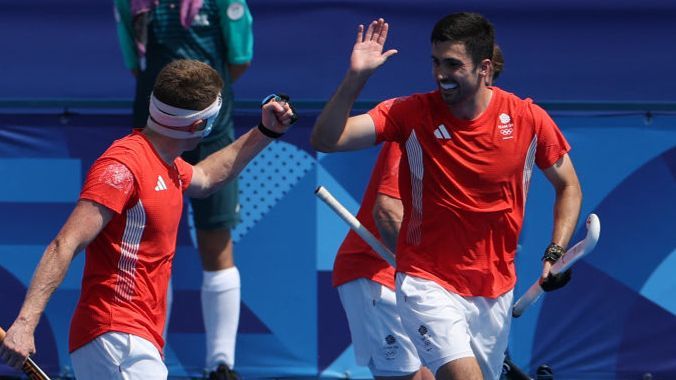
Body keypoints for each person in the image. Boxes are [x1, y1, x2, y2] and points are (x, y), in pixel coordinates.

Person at [311, 13, 582, 380]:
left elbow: (568, 185)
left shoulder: (528, 119)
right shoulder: (409, 114)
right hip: (428, 281)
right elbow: (327, 139)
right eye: (436, 62)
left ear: (484, 68)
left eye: (453, 65)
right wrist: (356, 77)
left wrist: (555, 251)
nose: (441, 74)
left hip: (495, 288)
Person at [0, 59, 295, 380]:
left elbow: (208, 177)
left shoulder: (166, 164)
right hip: (116, 336)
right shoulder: (122, 167)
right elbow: (64, 243)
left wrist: (265, 132)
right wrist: (25, 324)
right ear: (200, 126)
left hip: (133, 340)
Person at [113, 1, 253, 377]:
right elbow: (135, 63)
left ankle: (222, 365)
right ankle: (150, 354)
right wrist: (171, 117)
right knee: (151, 248)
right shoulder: (128, 4)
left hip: (213, 133)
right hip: (153, 137)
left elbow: (240, 58)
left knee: (215, 242)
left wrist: (197, 109)